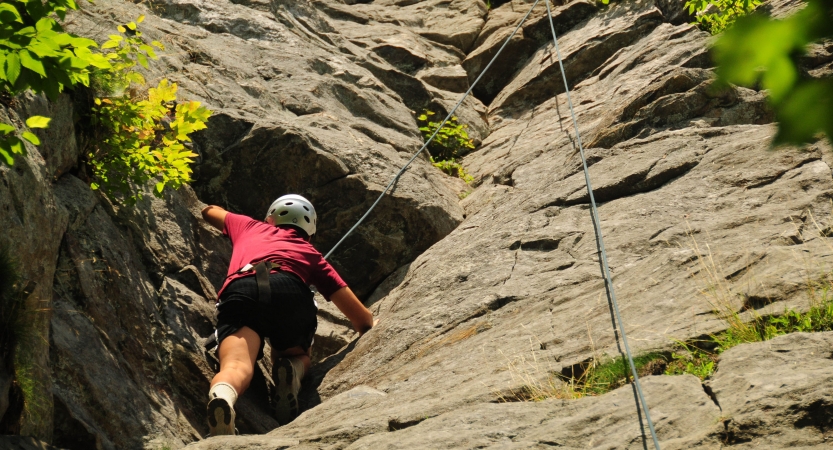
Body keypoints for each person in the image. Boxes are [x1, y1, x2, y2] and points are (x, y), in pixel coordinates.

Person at [200, 194, 375, 436]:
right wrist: (373, 322)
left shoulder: (249, 226)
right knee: (299, 354)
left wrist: (217, 211)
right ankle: (291, 369)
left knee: (237, 365)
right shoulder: (312, 254)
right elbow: (362, 320)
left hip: (244, 287)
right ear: (309, 231)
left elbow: (209, 212)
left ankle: (223, 395)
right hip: (290, 290)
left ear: (270, 218)